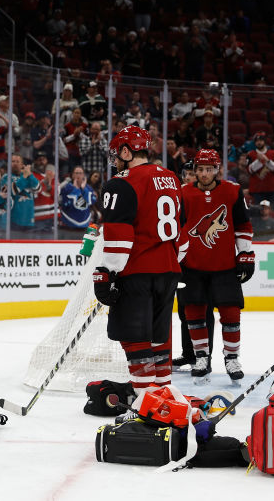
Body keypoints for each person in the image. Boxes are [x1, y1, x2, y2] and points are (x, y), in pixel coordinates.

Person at [92, 125, 185, 394]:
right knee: (159, 337)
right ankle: (162, 395)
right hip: (168, 269)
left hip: (137, 270)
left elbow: (119, 237)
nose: (116, 161)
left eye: (118, 155)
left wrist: (107, 272)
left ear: (126, 151)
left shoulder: (122, 183)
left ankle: (144, 401)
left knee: (134, 336)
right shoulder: (171, 178)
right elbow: (183, 229)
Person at [178, 149, 254, 384]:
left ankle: (232, 358)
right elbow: (177, 229)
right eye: (200, 169)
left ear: (217, 169)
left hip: (224, 266)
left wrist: (245, 254)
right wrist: (176, 258)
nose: (203, 174)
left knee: (231, 312)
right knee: (194, 311)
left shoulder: (232, 191)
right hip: (192, 265)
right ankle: (201, 357)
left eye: (208, 169)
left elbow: (243, 224)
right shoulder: (183, 193)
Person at [58, 166, 96, 235]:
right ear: (72, 175)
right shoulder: (67, 188)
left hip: (84, 225)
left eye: (80, 173)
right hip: (68, 226)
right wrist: (75, 190)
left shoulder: (88, 188)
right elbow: (65, 204)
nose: (78, 175)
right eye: (76, 173)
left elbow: (92, 202)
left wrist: (84, 190)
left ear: (84, 175)